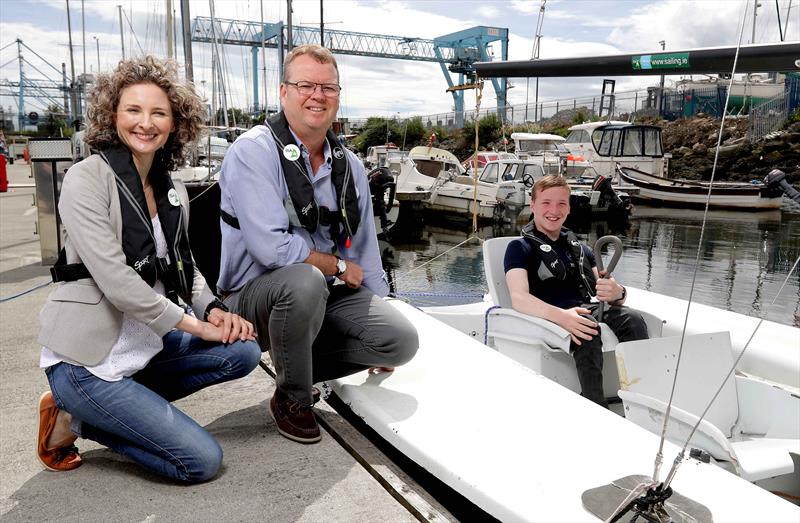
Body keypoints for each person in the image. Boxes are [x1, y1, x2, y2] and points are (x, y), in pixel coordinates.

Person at [36, 56, 261, 482]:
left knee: (243, 350)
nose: (146, 123)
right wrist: (197, 327)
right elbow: (117, 282)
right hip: (87, 362)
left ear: (175, 124)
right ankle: (72, 415)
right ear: (113, 116)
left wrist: (212, 309)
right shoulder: (86, 180)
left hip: (142, 350)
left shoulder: (172, 187)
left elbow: (183, 264)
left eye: (159, 112)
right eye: (133, 110)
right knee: (201, 462)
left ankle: (119, 410)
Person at [218, 44, 418, 444]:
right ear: (283, 92)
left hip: (321, 295)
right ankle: (292, 398)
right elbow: (271, 250)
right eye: (306, 84)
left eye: (328, 87)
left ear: (338, 96)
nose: (317, 95)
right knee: (306, 279)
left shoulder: (350, 165)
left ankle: (298, 361)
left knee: (399, 341)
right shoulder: (253, 152)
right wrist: (339, 268)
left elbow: (364, 249)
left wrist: (378, 312)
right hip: (253, 298)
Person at [504, 175, 648, 408]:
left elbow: (605, 290)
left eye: (561, 203)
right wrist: (563, 317)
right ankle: (595, 406)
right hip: (549, 315)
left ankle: (641, 399)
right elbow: (519, 298)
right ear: (533, 206)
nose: (554, 210)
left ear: (569, 208)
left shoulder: (580, 249)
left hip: (585, 308)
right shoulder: (518, 248)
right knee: (586, 327)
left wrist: (617, 292)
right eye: (546, 203)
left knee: (634, 320)